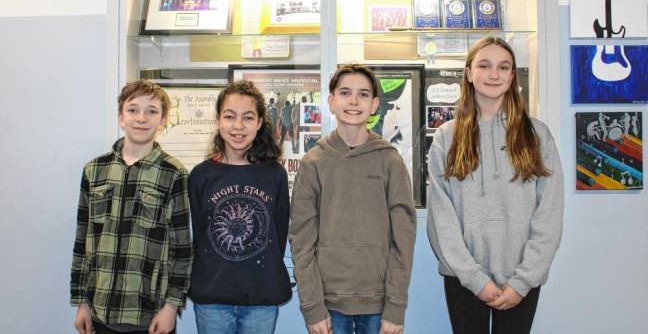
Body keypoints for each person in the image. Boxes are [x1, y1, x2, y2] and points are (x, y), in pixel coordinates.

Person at [427, 37, 564, 334]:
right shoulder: (446, 137)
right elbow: (441, 218)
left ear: (513, 75)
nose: (494, 75)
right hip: (464, 277)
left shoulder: (537, 135)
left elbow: (550, 213)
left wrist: (524, 279)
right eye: (484, 65)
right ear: (468, 73)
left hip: (520, 277)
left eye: (504, 67)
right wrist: (474, 279)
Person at [290, 64, 417, 334]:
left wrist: (396, 307)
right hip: (327, 304)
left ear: (374, 105)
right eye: (345, 93)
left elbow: (403, 241)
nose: (354, 101)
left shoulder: (390, 160)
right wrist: (312, 306)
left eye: (363, 94)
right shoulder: (314, 163)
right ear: (331, 101)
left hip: (379, 304)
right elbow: (302, 242)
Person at [70, 79, 192, 334]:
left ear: (163, 120)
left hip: (151, 314)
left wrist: (171, 308)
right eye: (133, 109)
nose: (141, 118)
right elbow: (82, 241)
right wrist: (81, 302)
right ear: (120, 116)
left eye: (152, 111)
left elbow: (182, 250)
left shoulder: (174, 173)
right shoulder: (94, 170)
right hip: (99, 311)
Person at [188, 80, 291, 334]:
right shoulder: (200, 175)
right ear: (217, 120)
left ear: (258, 123)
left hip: (260, 298)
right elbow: (200, 235)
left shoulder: (274, 175)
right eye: (229, 116)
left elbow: (278, 234)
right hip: (212, 297)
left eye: (247, 117)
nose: (238, 126)